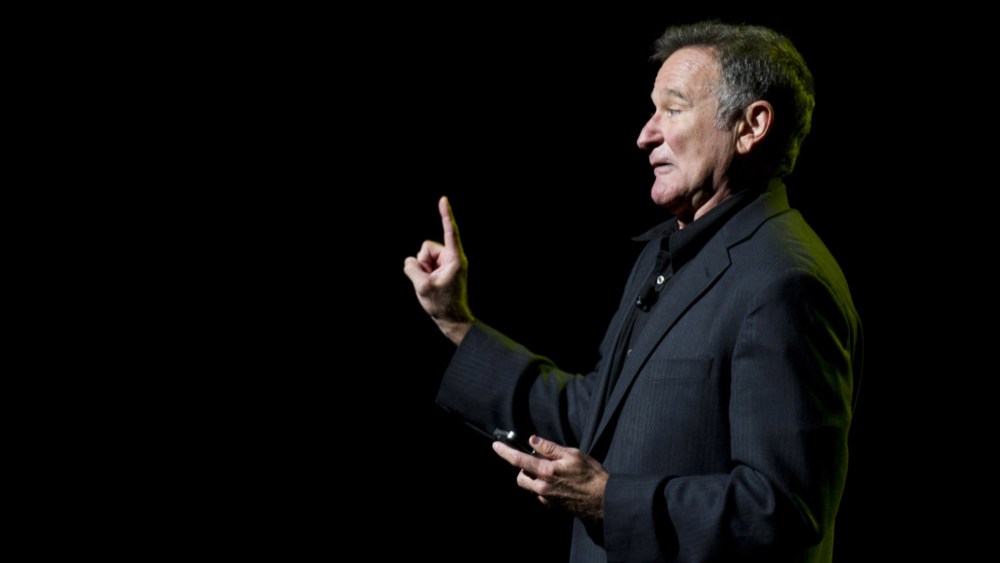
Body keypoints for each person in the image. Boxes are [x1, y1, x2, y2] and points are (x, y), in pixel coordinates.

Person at [404, 21, 862, 563]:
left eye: (673, 109)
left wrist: (610, 502)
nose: (645, 135)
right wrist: (456, 322)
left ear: (750, 126)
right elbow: (595, 416)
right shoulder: (666, 254)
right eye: (652, 111)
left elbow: (785, 509)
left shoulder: (787, 281)